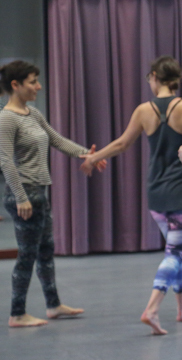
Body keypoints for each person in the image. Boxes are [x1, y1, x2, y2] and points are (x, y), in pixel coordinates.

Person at [80, 56, 182, 335]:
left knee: (175, 251)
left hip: (156, 193)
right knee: (175, 252)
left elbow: (122, 144)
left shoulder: (142, 110)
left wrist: (92, 158)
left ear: (154, 77)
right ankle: (152, 308)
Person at [0, 60, 106, 327]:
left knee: (46, 251)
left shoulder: (32, 113)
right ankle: (17, 314)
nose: (39, 86)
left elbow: (57, 140)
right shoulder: (6, 119)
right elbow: (4, 160)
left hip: (39, 192)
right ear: (15, 85)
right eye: (33, 81)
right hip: (24, 195)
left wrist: (88, 154)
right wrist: (21, 197)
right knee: (27, 255)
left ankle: (53, 305)